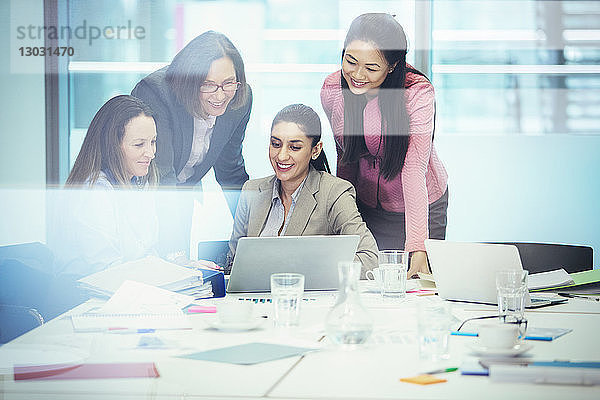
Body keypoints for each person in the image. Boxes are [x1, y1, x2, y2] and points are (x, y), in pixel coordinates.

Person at [320, 13, 449, 278]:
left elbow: (413, 170)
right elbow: (345, 157)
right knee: (367, 286)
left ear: (392, 66)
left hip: (421, 208)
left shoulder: (417, 93)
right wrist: (345, 213)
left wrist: (418, 246)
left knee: (418, 289)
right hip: (367, 206)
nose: (357, 74)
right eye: (350, 61)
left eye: (371, 67)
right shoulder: (333, 88)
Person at [131, 30, 252, 256]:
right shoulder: (157, 93)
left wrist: (252, 234)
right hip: (146, 194)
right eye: (208, 85)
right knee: (162, 264)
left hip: (182, 191)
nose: (220, 95)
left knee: (179, 270)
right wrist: (178, 258)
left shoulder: (239, 100)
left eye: (228, 83)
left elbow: (230, 171)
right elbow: (162, 176)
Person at [228, 104, 378, 275]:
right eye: (276, 144)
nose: (281, 156)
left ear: (316, 150)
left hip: (308, 298)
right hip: (255, 299)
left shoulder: (334, 192)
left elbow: (369, 259)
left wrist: (304, 266)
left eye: (295, 147)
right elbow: (234, 262)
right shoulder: (251, 191)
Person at [51, 95, 160, 276]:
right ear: (112, 146)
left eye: (153, 142)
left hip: (129, 290)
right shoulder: (94, 192)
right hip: (85, 297)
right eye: (139, 144)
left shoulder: (139, 183)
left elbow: (147, 252)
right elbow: (107, 272)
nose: (150, 153)